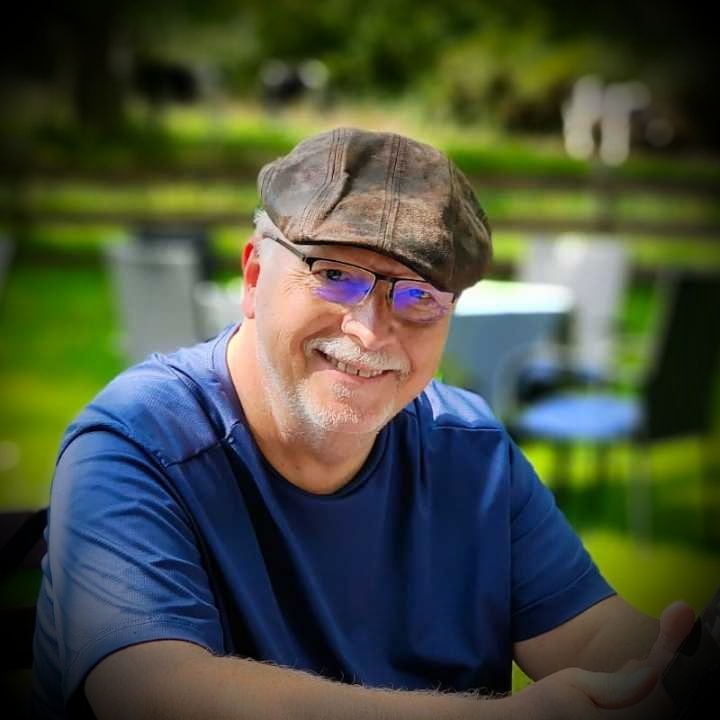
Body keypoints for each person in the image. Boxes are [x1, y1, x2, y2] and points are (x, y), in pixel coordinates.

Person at [31, 127, 694, 720]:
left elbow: (592, 635)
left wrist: (674, 668)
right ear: (254, 276)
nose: (370, 331)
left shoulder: (470, 451)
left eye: (419, 295)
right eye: (335, 274)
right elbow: (153, 693)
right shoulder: (136, 445)